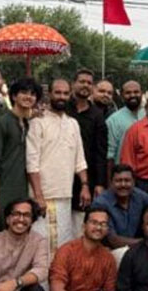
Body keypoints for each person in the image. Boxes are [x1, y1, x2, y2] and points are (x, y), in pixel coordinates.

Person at [27, 79, 90, 257]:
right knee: (42, 246)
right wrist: (39, 196)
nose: (61, 97)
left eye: (65, 93)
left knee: (63, 244)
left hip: (65, 195)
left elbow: (80, 159)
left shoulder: (73, 123)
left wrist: (85, 185)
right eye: (58, 92)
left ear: (70, 95)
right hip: (43, 196)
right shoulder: (37, 122)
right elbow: (32, 162)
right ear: (50, 94)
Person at [0, 77, 43, 228]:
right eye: (24, 92)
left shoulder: (28, 123)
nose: (28, 97)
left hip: (22, 190)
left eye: (33, 94)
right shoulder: (2, 123)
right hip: (3, 190)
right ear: (13, 96)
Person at [66, 68, 108, 230]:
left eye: (89, 83)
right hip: (62, 175)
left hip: (86, 179)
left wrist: (99, 183)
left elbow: (100, 152)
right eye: (82, 81)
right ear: (73, 84)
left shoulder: (97, 116)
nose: (85, 85)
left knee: (79, 222)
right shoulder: (63, 109)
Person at [92, 164, 148, 248]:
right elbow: (113, 240)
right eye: (118, 181)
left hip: (134, 247)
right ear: (111, 183)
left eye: (127, 180)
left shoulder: (137, 194)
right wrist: (147, 242)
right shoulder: (101, 203)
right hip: (108, 250)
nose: (123, 184)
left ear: (133, 182)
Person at [49, 206, 117, 291]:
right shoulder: (67, 251)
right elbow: (57, 283)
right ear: (84, 226)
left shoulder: (108, 258)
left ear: (107, 230)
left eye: (103, 224)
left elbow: (109, 288)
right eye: (94, 223)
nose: (98, 228)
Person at [106, 80, 145, 179]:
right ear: (122, 95)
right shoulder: (113, 120)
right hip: (123, 178)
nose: (132, 95)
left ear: (142, 93)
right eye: (128, 93)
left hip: (146, 177)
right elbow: (110, 155)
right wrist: (110, 182)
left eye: (136, 92)